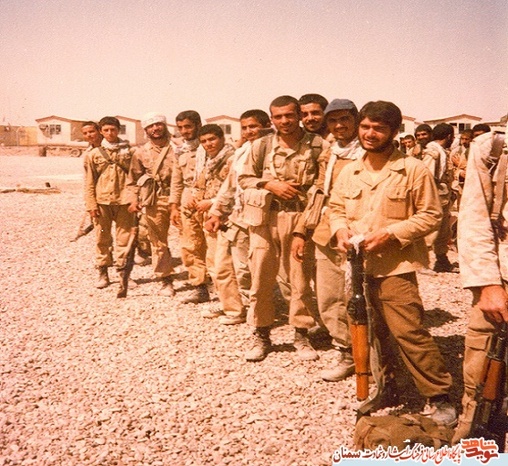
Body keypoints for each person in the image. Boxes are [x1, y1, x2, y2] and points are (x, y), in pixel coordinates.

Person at [328, 101, 456, 426]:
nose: (370, 134)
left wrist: (391, 234)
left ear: (394, 132)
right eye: (365, 127)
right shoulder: (350, 171)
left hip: (395, 268)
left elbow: (431, 215)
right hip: (357, 268)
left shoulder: (413, 169)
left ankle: (439, 396)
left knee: (409, 332)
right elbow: (336, 208)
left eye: (379, 128)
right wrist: (340, 230)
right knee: (372, 332)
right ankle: (388, 388)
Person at [238, 95, 326, 362]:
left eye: (289, 115)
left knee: (300, 278)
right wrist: (270, 184)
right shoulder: (261, 145)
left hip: (299, 217)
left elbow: (322, 186)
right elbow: (244, 178)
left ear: (299, 115)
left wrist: (305, 226)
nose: (284, 121)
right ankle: (261, 334)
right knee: (261, 276)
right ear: (271, 119)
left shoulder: (317, 145)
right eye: (278, 117)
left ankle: (301, 333)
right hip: (265, 218)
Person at [292, 98, 364, 381]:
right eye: (333, 120)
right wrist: (301, 231)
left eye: (345, 119)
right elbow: (319, 193)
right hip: (328, 232)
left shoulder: (371, 151)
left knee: (363, 298)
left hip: (361, 233)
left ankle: (372, 354)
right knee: (330, 297)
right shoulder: (330, 153)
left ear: (356, 119)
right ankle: (346, 351)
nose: (339, 125)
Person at [453, 130, 508, 444]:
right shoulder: (494, 147)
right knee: (483, 365)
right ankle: (472, 431)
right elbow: (474, 218)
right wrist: (487, 283)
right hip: (502, 274)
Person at [205, 110, 273, 325]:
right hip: (234, 215)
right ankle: (233, 308)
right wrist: (217, 211)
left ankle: (254, 312)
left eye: (253, 126)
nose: (249, 131)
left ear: (266, 125)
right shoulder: (242, 152)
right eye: (245, 127)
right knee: (222, 264)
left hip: (254, 216)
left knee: (245, 269)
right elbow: (230, 185)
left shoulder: (271, 150)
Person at [126, 113, 175, 297]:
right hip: (156, 199)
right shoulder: (141, 152)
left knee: (192, 240)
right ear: (146, 130)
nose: (155, 129)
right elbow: (133, 179)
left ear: (165, 125)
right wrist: (134, 200)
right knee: (158, 241)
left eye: (158, 124)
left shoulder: (178, 147)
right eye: (150, 126)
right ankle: (165, 279)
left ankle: (201, 280)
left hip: (179, 198)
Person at [84, 116, 136, 289]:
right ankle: (103, 271)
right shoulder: (93, 154)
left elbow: (136, 176)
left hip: (124, 201)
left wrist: (135, 199)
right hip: (102, 202)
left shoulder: (129, 151)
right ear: (101, 131)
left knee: (124, 239)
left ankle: (123, 274)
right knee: (102, 238)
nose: (110, 133)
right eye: (105, 130)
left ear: (118, 130)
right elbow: (89, 182)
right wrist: (91, 205)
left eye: (113, 129)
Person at [191, 124, 236, 318]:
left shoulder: (232, 159)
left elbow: (234, 189)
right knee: (213, 261)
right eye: (204, 141)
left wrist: (211, 202)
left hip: (225, 215)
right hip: (209, 216)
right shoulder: (207, 159)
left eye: (212, 139)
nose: (208, 144)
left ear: (222, 138)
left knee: (224, 263)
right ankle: (224, 301)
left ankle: (232, 305)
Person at [169, 111, 211, 303]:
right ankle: (199, 286)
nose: (184, 131)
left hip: (209, 200)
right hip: (188, 202)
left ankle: (223, 289)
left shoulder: (210, 146)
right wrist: (174, 207)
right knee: (190, 245)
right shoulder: (181, 151)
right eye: (181, 128)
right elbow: (176, 181)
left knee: (214, 246)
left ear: (198, 125)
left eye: (188, 126)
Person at [421, 123, 458, 273]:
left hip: (442, 197)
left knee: (443, 232)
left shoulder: (441, 152)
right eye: (452, 137)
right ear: (448, 136)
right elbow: (426, 177)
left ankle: (442, 262)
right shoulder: (433, 153)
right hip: (434, 197)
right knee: (429, 230)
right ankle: (421, 263)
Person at [450, 129, 473, 207]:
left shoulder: (472, 151)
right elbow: (451, 167)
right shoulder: (456, 151)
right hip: (458, 183)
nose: (464, 141)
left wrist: (458, 164)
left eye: (467, 139)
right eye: (462, 139)